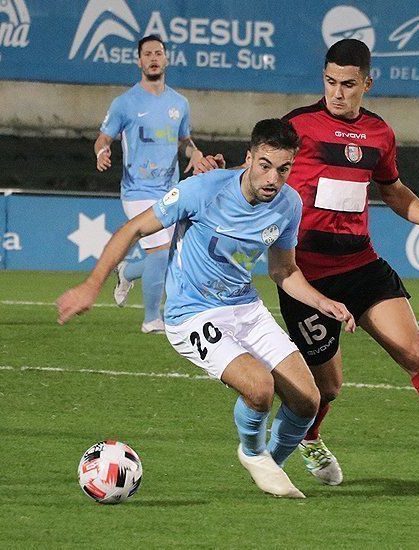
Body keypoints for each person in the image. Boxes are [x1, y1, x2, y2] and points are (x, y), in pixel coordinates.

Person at [194, 39, 419, 491]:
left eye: (348, 84)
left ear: (367, 83)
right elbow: (258, 169)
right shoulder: (299, 125)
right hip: (307, 278)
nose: (337, 92)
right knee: (326, 389)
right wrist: (217, 174)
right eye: (330, 82)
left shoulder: (379, 134)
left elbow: (392, 190)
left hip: (363, 266)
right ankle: (308, 436)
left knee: (417, 356)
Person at [58, 119, 356, 499]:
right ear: (248, 158)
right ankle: (253, 452)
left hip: (245, 308)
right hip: (192, 313)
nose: (273, 179)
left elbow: (284, 270)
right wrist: (91, 285)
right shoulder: (202, 190)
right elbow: (133, 229)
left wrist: (322, 302)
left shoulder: (288, 205)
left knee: (308, 400)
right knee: (260, 388)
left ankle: (272, 467)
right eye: (264, 165)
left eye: (284, 169)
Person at [94, 34, 204, 334]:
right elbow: (104, 138)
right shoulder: (125, 103)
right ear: (139, 61)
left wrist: (195, 152)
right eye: (148, 54)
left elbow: (184, 140)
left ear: (166, 59)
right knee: (160, 251)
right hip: (137, 190)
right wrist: (102, 151)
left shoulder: (179, 103)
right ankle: (153, 319)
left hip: (170, 188)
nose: (154, 58)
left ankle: (128, 271)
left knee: (171, 255)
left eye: (158, 53)